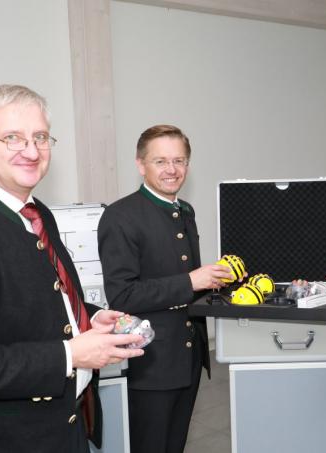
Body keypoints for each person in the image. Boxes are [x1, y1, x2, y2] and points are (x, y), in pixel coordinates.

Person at [0, 84, 145, 453]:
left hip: (61, 431)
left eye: (40, 137)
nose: (32, 151)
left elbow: (37, 305)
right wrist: (71, 354)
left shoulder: (37, 213)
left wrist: (88, 318)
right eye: (13, 138)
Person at [97, 125, 237, 453]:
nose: (172, 169)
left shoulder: (184, 211)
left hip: (187, 357)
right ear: (140, 164)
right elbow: (122, 295)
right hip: (152, 362)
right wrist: (192, 281)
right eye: (160, 161)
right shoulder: (120, 216)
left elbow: (187, 281)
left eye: (179, 160)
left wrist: (218, 281)